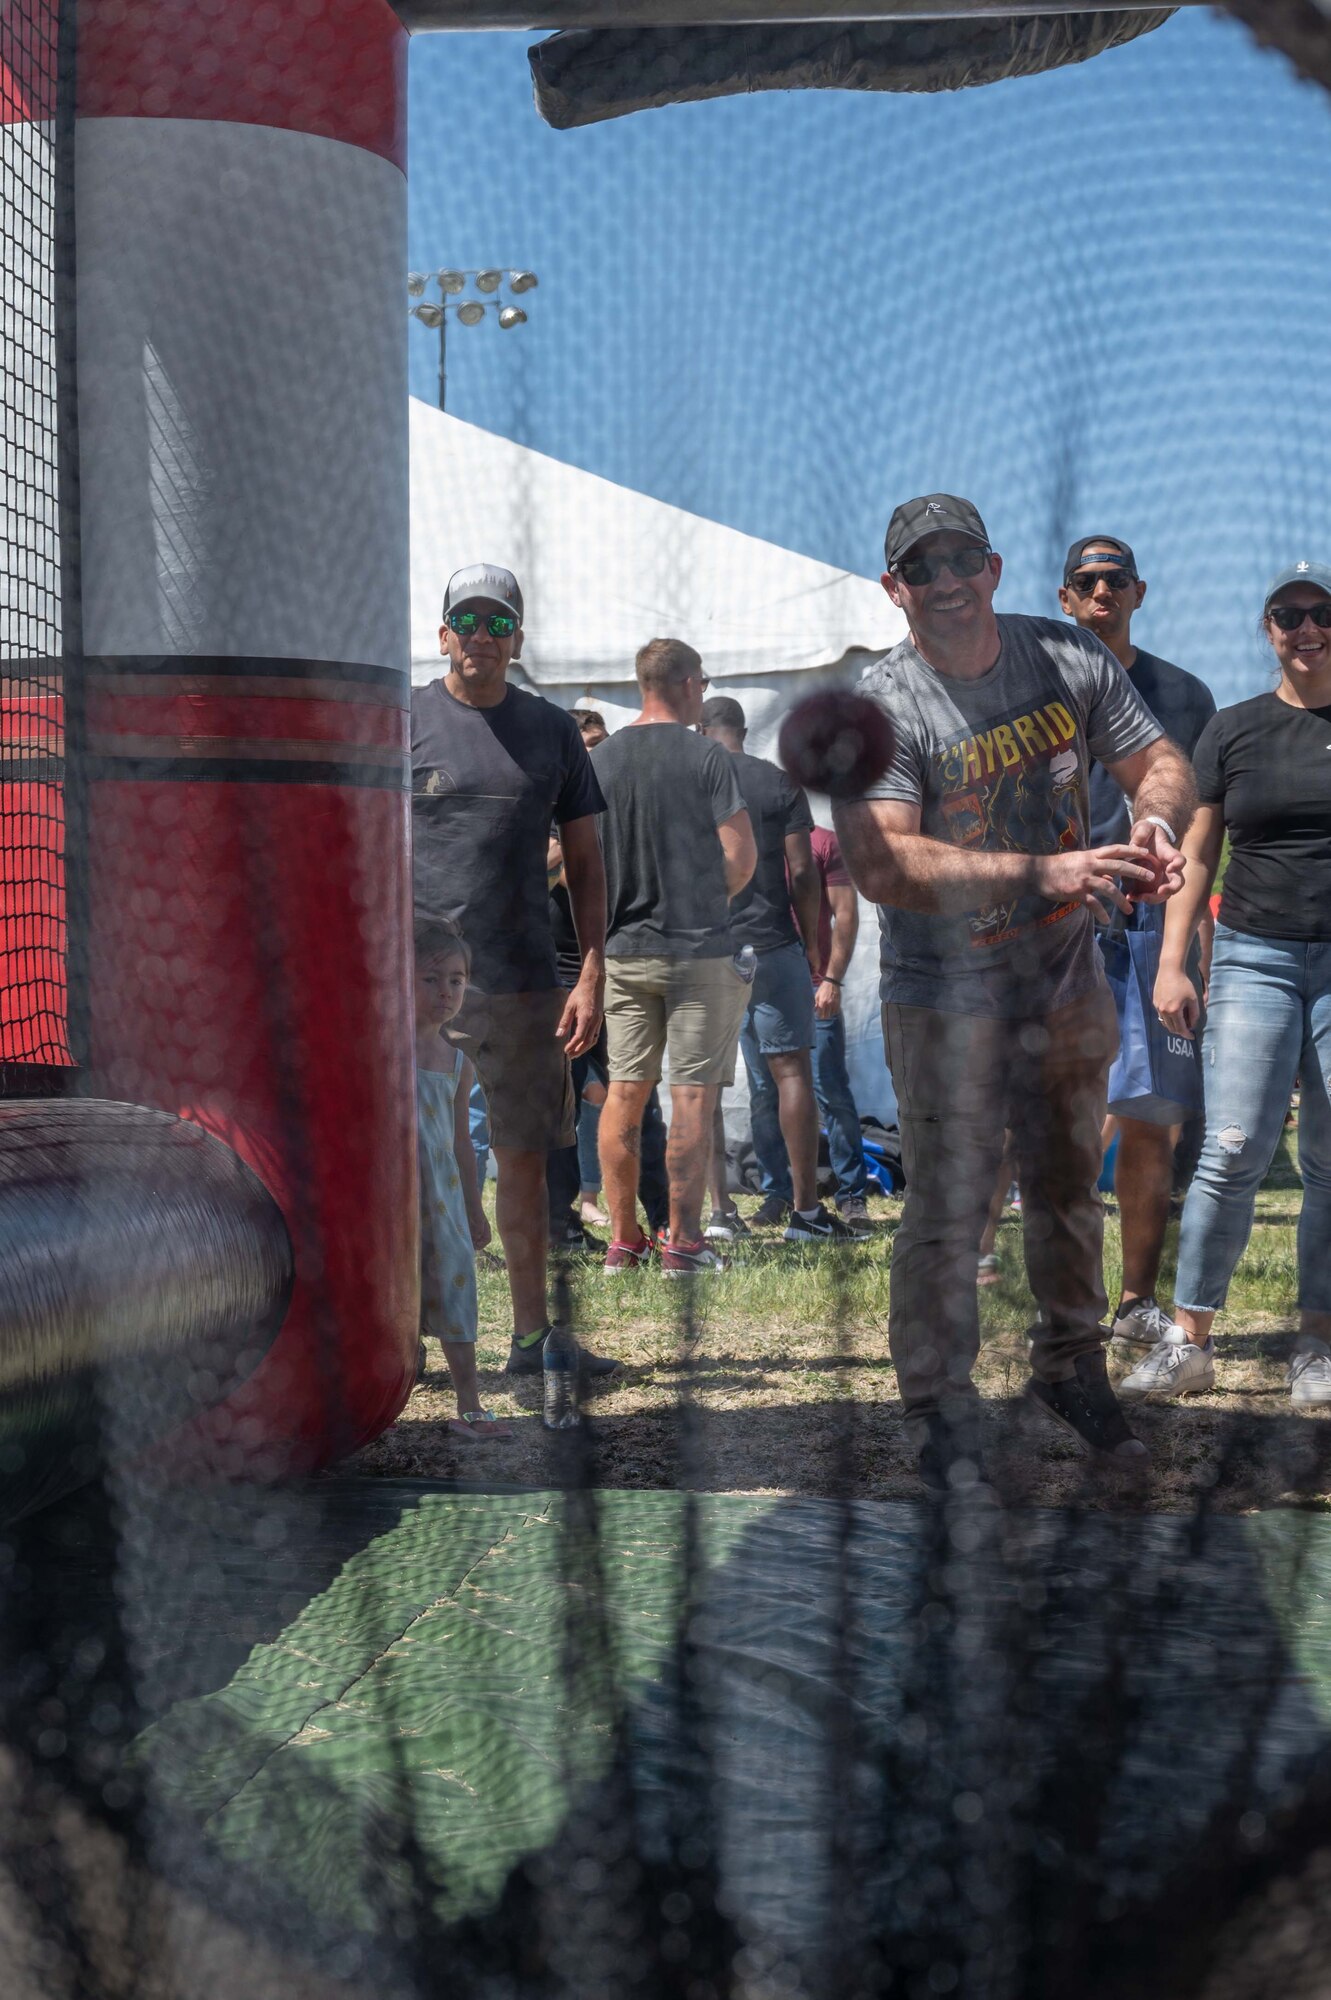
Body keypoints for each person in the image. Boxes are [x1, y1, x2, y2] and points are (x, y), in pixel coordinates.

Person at [833, 493, 1197, 1491]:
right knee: (949, 1209)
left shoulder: (1066, 657)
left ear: (992, 570)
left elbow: (1158, 759)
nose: (944, 582)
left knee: (1063, 1192)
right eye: (921, 568)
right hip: (942, 997)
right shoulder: (882, 702)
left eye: (962, 561)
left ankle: (1070, 1367)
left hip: (1063, 983)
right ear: (891, 587)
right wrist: (1047, 873)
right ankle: (936, 1407)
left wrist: (1156, 824)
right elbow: (883, 862)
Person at [1125, 561, 1331, 1409]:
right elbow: (1196, 854)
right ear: (1267, 631)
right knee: (1232, 1146)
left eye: (1321, 613)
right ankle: (1189, 1344)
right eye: (1287, 616)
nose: (1306, 628)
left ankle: (1314, 1347)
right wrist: (1174, 960)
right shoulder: (1233, 730)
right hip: (1252, 956)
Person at [411, 564, 616, 1377]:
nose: (481, 637)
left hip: (532, 986)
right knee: (413, 1166)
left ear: (517, 640)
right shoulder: (406, 720)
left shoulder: (552, 731)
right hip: (425, 990)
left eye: (498, 624)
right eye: (467, 621)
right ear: (442, 634)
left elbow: (591, 860)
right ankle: (403, 1339)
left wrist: (593, 968)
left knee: (526, 1166)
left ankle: (529, 1341)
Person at [1061, 534, 1216, 1349]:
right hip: (1057, 922)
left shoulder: (1183, 695)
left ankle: (1133, 1304)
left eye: (1113, 579)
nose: (1099, 591)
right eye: (1084, 581)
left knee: (1149, 1121)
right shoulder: (1039, 687)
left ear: (1138, 592)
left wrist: (1179, 953)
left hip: (1150, 922)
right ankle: (1066, 1300)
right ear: (1063, 599)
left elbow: (1200, 832)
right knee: (1062, 1121)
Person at [593, 639, 756, 1276]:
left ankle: (624, 1240)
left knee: (624, 1096)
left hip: (623, 951)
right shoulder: (708, 755)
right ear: (688, 684)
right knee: (691, 1097)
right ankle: (684, 1245)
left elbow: (576, 861)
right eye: (704, 682)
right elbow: (740, 861)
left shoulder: (600, 760)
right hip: (697, 952)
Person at [698, 695, 853, 1243]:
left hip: (708, 948)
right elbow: (802, 870)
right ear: (743, 730)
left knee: (706, 1081)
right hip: (774, 942)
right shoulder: (777, 781)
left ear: (702, 728)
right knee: (792, 1074)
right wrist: (810, 942)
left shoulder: (692, 780)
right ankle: (807, 1213)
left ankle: (719, 1213)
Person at [413, 922, 510, 1438]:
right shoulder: (384, 1049)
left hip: (442, 1199)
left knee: (453, 1285)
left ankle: (470, 1405)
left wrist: (474, 1210)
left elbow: (460, 1146)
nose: (446, 992)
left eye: (457, 980)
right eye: (431, 979)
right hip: (394, 1199)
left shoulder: (458, 1061)